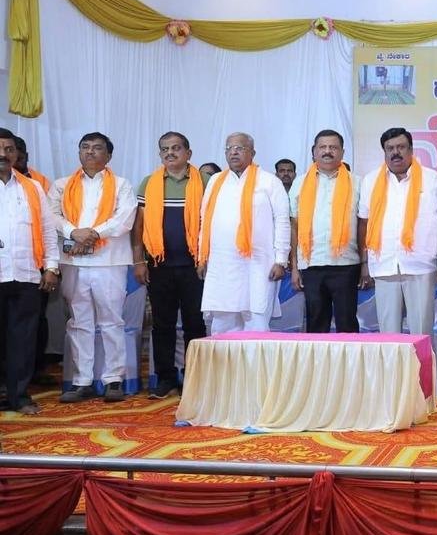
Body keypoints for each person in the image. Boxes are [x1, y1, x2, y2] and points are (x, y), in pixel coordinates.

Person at [51, 132, 137, 403]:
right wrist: (73, 232)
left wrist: (94, 233)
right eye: (85, 147)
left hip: (109, 261)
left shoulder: (121, 185)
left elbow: (125, 219)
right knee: (79, 321)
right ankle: (82, 381)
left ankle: (113, 379)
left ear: (108, 155)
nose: (90, 152)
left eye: (97, 148)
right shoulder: (62, 185)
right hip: (73, 261)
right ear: (79, 152)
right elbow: (50, 215)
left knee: (112, 320)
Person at [130, 131, 209, 399]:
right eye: (165, 149)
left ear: (189, 153)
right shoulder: (149, 183)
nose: (170, 153)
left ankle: (195, 378)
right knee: (162, 324)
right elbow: (138, 226)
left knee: (195, 324)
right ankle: (166, 378)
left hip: (195, 266)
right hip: (159, 265)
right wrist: (139, 260)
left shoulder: (205, 182)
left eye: (176, 148)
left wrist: (206, 259)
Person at [199, 133, 290, 333]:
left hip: (259, 264)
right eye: (229, 148)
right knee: (223, 323)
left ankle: (255, 355)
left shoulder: (269, 181)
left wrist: (281, 260)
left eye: (239, 148)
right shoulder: (215, 181)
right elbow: (205, 220)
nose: (233, 152)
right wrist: (201, 258)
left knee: (256, 321)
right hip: (222, 264)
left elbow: (282, 221)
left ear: (252, 153)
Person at [358, 127, 437, 336]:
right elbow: (364, 223)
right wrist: (365, 263)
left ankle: (422, 361)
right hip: (384, 265)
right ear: (384, 152)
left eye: (401, 147)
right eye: (390, 148)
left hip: (420, 265)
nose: (396, 152)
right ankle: (392, 361)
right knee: (389, 334)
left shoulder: (432, 179)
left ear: (411, 150)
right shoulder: (370, 181)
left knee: (422, 332)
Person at [0, 129, 59, 414]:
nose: (3, 154)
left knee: (23, 339)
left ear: (16, 154)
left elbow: (47, 230)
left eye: (9, 149)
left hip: (26, 274)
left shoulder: (32, 188)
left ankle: (20, 396)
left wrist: (51, 267)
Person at [289, 130, 362, 333]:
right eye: (322, 147)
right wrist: (294, 267)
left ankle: (349, 356)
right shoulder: (300, 183)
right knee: (316, 325)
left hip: (346, 264)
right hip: (312, 264)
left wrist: (365, 264)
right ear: (314, 152)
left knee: (347, 324)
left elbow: (363, 225)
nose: (327, 151)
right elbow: (294, 226)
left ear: (342, 152)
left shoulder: (357, 182)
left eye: (333, 147)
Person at [12, 136, 52, 384]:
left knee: (35, 319)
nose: (13, 155)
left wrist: (51, 266)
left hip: (35, 263)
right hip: (6, 265)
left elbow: (48, 225)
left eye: (16, 150)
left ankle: (35, 369)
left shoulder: (39, 183)